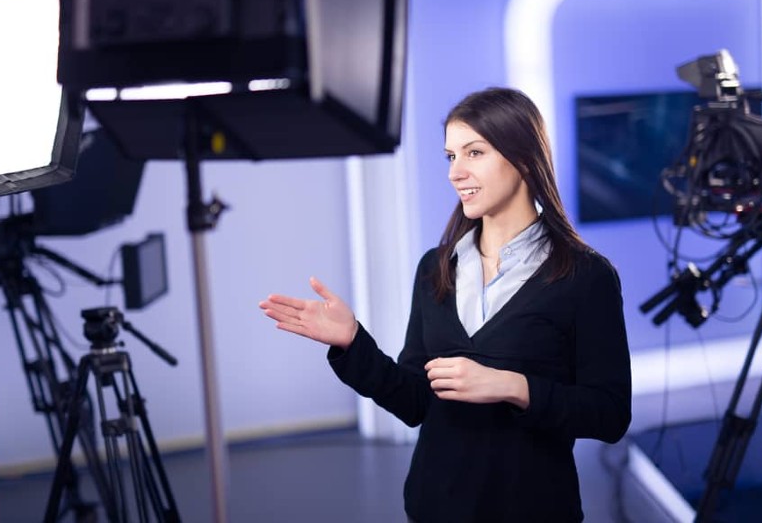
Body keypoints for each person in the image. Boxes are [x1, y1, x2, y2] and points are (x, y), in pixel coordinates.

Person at [260, 87, 632, 523]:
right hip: (435, 506)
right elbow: (416, 401)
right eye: (451, 156)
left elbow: (609, 416)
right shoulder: (435, 269)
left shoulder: (586, 277)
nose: (456, 172)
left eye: (474, 152)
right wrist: (352, 342)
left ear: (526, 158)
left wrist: (512, 386)